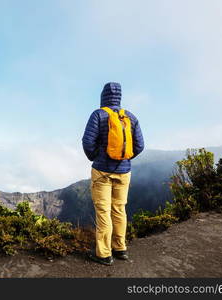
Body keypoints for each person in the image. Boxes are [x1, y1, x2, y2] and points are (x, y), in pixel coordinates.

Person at [82, 82, 144, 266]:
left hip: (102, 171)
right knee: (119, 210)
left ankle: (104, 254)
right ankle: (120, 248)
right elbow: (140, 145)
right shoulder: (130, 117)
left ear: (103, 96)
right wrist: (126, 159)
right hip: (124, 172)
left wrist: (96, 157)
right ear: (119, 97)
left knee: (103, 212)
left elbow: (87, 141)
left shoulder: (98, 115)